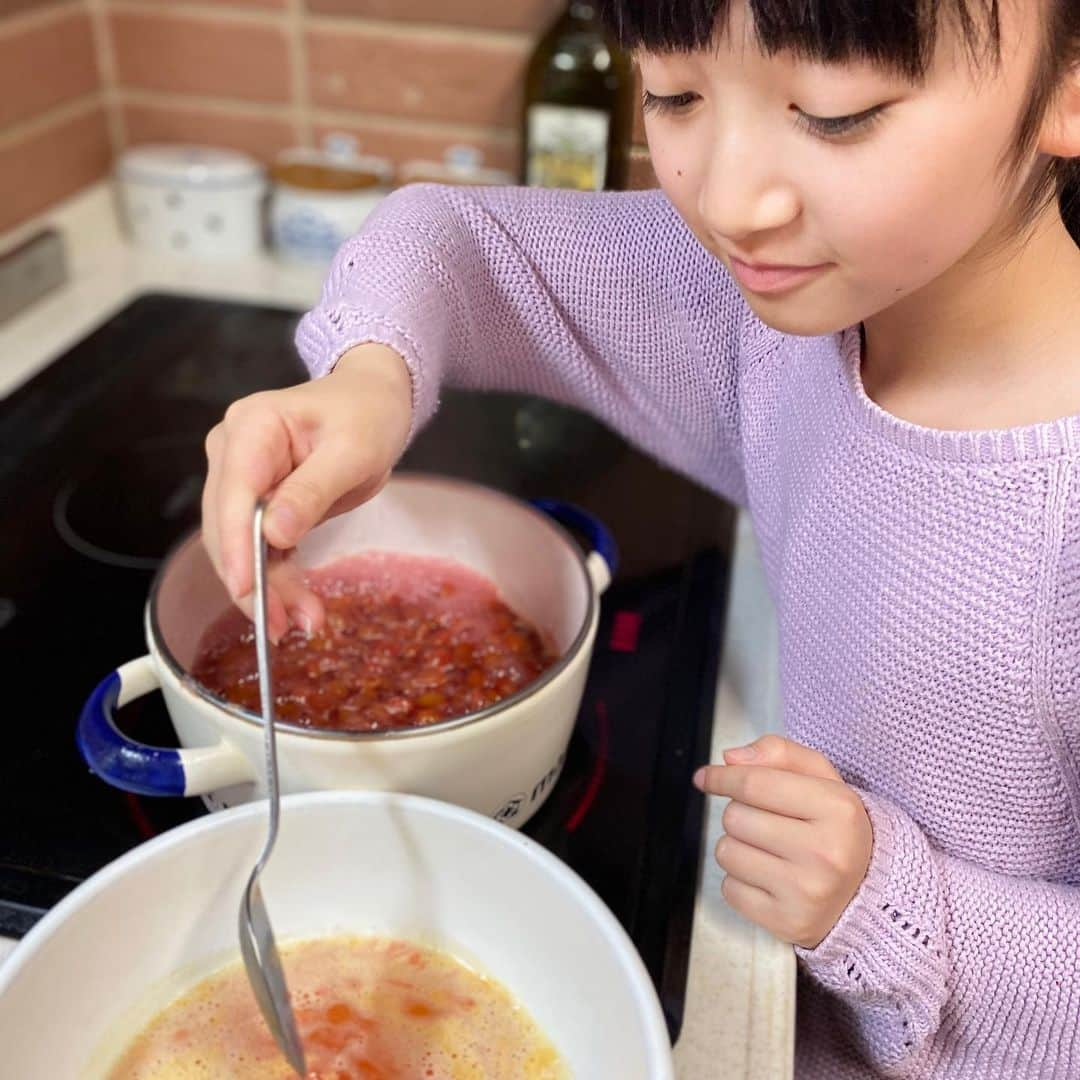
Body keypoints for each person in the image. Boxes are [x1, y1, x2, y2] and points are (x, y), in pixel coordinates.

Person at [200, 0, 1080, 1074]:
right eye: (674, 92)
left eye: (836, 112)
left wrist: (894, 906)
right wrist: (369, 380)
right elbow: (457, 240)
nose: (729, 202)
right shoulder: (782, 320)